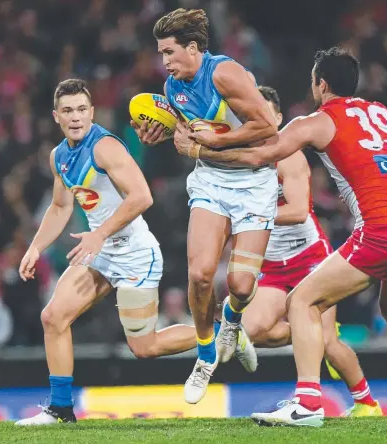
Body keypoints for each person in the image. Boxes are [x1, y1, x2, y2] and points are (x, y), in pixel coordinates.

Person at [174, 47, 387, 426]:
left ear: (320, 84)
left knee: (301, 301)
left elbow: (259, 156)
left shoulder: (317, 120)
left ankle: (307, 404)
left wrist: (200, 148)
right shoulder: (381, 113)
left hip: (383, 228)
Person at [15, 79, 197, 426]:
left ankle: (220, 336)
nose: (76, 117)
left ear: (92, 112)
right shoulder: (59, 156)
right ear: (56, 116)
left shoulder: (106, 148)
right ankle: (61, 409)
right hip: (99, 252)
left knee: (143, 348)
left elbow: (142, 196)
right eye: (68, 111)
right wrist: (35, 247)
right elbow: (58, 206)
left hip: (134, 254)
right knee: (53, 318)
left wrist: (99, 234)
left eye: (82, 109)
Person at [132, 8, 277, 404]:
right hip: (211, 182)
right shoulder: (172, 87)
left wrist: (211, 144)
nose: (164, 62)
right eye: (161, 54)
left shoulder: (224, 74)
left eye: (169, 53)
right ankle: (205, 351)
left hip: (253, 184)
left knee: (241, 286)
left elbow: (266, 126)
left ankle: (232, 320)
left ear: (193, 48)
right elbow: (189, 134)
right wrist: (160, 136)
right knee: (199, 276)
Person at [234, 85, 382, 417]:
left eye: (266, 114)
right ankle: (304, 332)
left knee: (329, 343)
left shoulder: (288, 156)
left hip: (309, 259)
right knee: (252, 330)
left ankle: (367, 404)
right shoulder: (239, 162)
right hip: (272, 264)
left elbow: (299, 210)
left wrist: (248, 219)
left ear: (279, 119)